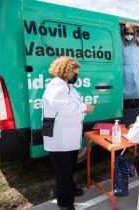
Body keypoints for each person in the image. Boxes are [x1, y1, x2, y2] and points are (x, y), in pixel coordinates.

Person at [42, 56, 94, 210]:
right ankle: (65, 203)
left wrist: (83, 107)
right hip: (60, 138)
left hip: (68, 136)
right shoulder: (56, 87)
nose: (76, 77)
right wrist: (84, 107)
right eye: (75, 74)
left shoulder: (66, 86)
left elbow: (73, 104)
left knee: (70, 166)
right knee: (63, 172)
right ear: (67, 72)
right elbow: (65, 108)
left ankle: (70, 189)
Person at [122, 22, 139, 109]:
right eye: (127, 33)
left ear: (134, 33)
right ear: (124, 33)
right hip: (124, 72)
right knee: (125, 99)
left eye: (131, 33)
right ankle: (127, 119)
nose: (129, 35)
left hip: (137, 72)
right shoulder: (120, 41)